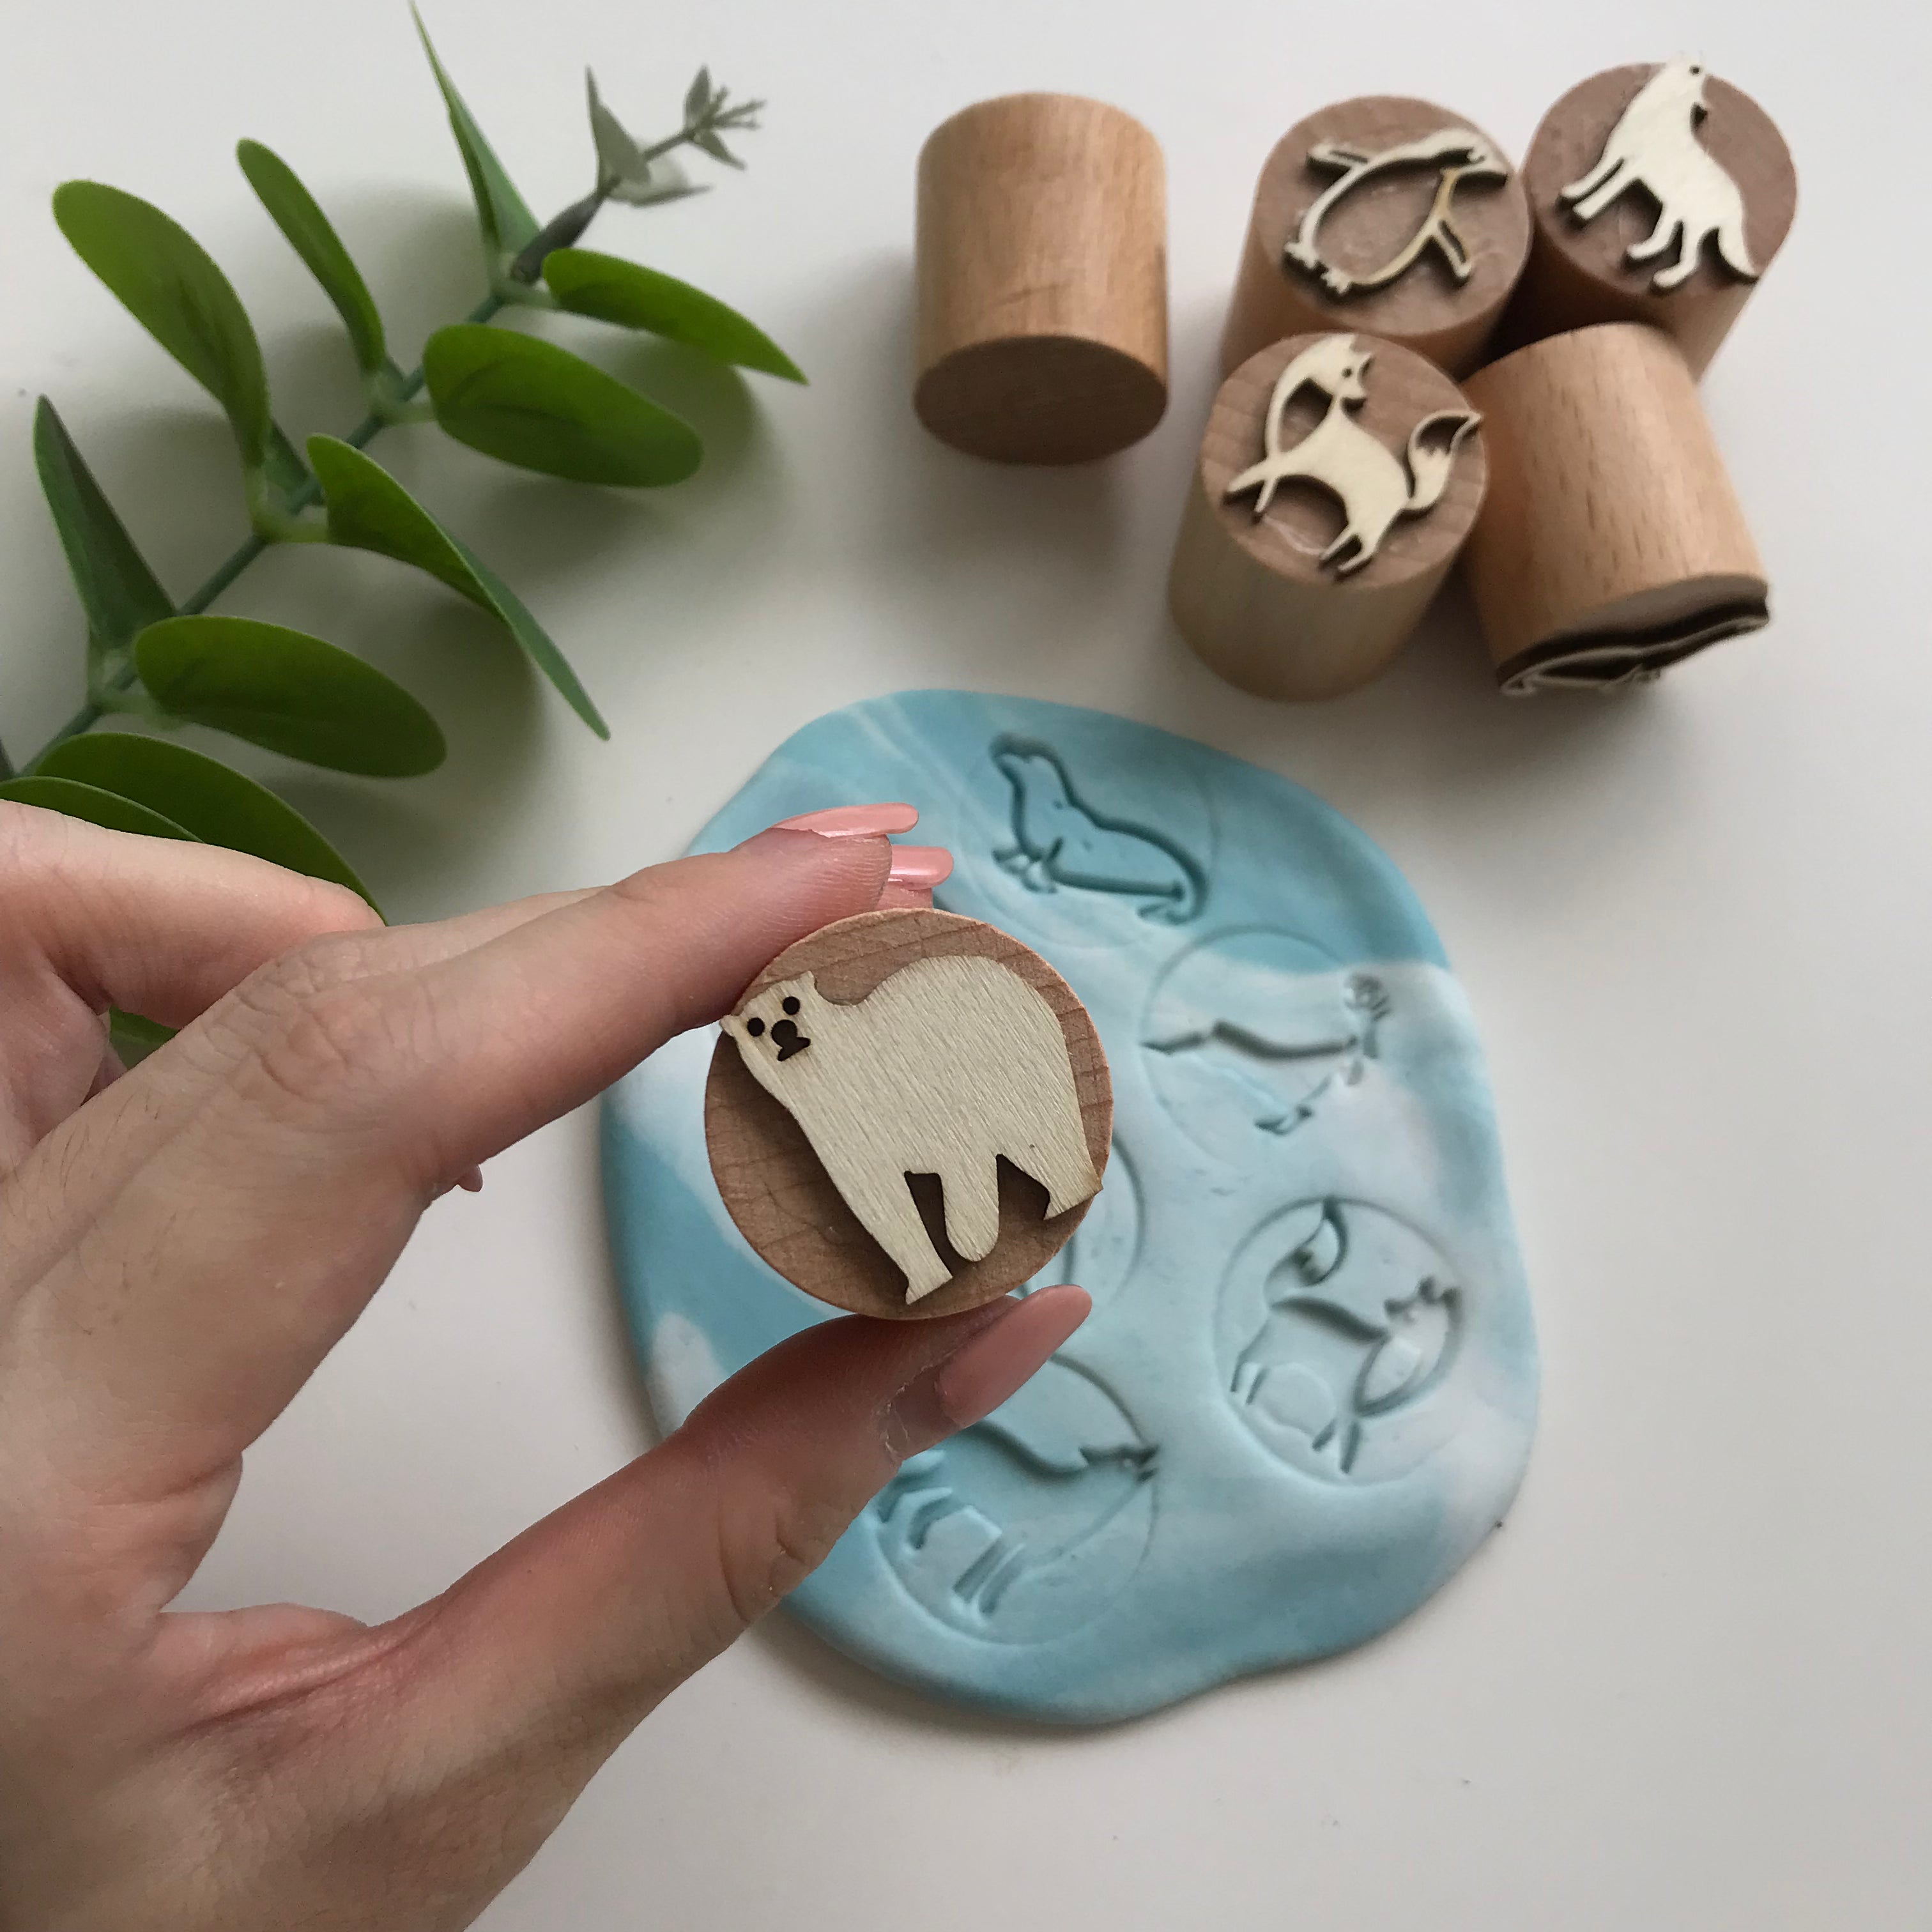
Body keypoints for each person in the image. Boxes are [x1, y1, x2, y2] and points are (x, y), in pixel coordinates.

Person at [0, 799, 1089, 1929]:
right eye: (775, 1048)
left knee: (974, 1179)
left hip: (962, 1058)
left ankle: (1026, 1183)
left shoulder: (924, 1032)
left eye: (792, 1042)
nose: (780, 1056)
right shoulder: (808, 1074)